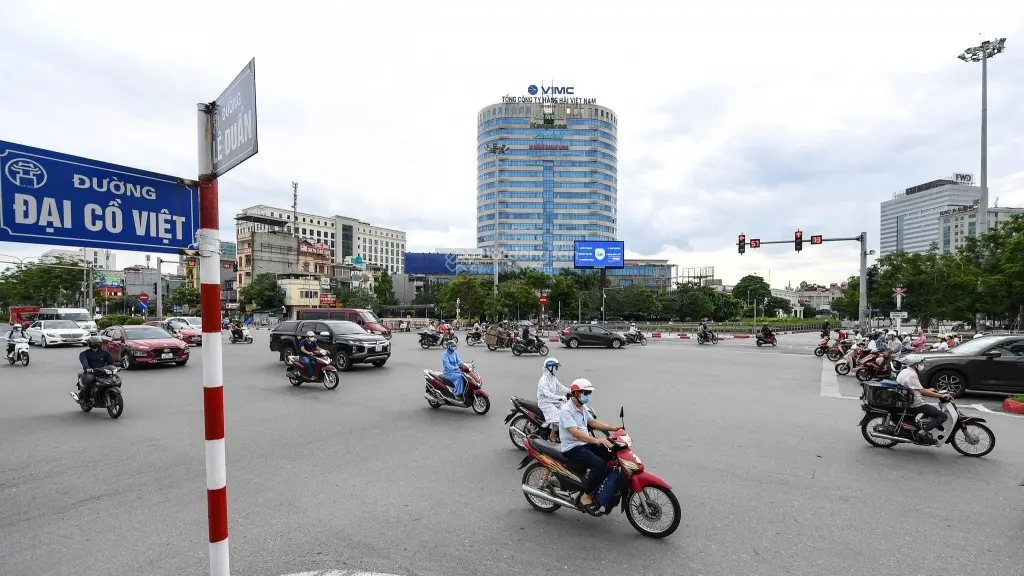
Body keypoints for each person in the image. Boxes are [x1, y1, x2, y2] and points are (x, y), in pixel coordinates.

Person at [559, 379, 621, 513]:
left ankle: (599, 487)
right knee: (598, 464)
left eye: (589, 393)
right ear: (575, 393)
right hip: (572, 448)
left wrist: (614, 428)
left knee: (610, 455)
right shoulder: (566, 410)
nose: (588, 395)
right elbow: (576, 434)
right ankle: (586, 495)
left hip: (584, 444)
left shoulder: (582, 407)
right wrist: (598, 440)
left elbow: (593, 422)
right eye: (585, 392)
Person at [896, 358, 952, 443]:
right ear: (915, 364)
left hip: (909, 399)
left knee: (930, 411)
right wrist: (941, 395)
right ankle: (922, 432)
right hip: (915, 403)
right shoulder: (912, 375)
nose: (921, 364)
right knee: (942, 416)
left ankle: (921, 427)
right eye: (920, 363)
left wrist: (929, 389)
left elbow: (918, 388)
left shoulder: (905, 371)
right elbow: (923, 392)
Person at [76, 335, 115, 405]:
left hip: (103, 372)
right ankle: (86, 400)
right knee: (89, 381)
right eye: (94, 344)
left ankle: (111, 395)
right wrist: (87, 368)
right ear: (90, 344)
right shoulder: (84, 354)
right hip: (91, 373)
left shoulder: (105, 353)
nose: (96, 345)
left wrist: (115, 367)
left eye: (97, 343)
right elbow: (84, 362)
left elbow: (111, 363)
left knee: (116, 380)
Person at [537, 358, 569, 441]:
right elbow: (547, 394)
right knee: (560, 418)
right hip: (545, 403)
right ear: (550, 368)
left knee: (567, 412)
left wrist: (572, 390)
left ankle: (554, 434)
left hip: (553, 402)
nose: (557, 370)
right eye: (556, 367)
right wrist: (560, 397)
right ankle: (552, 436)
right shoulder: (543, 380)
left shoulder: (552, 377)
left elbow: (560, 386)